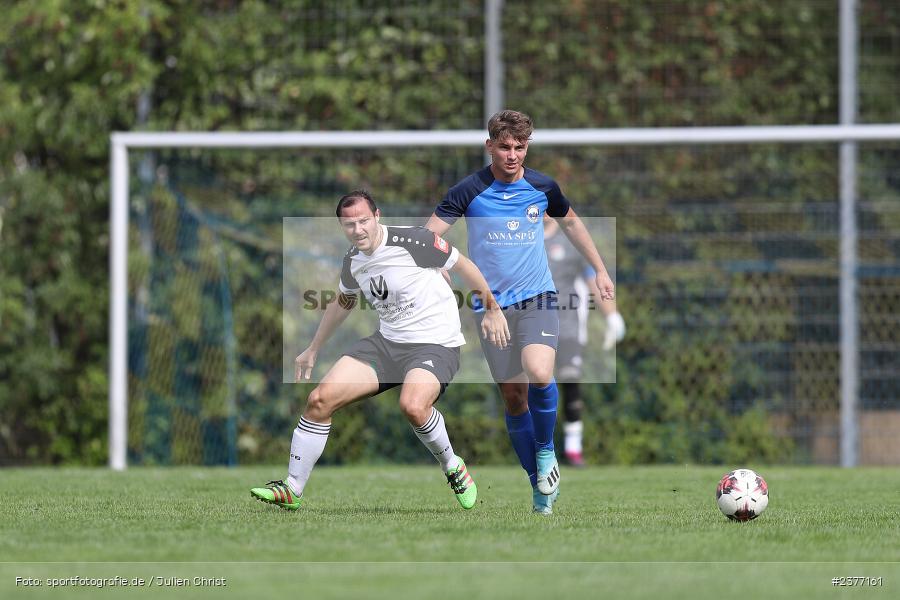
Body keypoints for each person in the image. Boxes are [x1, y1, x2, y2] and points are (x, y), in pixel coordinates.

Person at [251, 190, 509, 511]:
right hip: (387, 345)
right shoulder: (352, 260)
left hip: (435, 342)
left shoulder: (415, 242)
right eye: (348, 225)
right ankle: (292, 489)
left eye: (363, 221)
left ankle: (452, 466)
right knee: (319, 400)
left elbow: (464, 265)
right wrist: (313, 348)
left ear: (377, 216)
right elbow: (344, 301)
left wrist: (493, 309)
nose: (357, 230)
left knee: (413, 406)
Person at [425, 110, 615, 515]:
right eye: (505, 146)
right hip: (489, 307)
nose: (512, 155)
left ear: (527, 147)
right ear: (489, 145)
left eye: (520, 147)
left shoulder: (543, 187)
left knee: (540, 372)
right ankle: (538, 490)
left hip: (538, 298)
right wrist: (440, 266)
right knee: (514, 398)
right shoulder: (468, 190)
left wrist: (599, 268)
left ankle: (547, 452)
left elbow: (573, 224)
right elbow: (428, 239)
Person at [544, 216, 625, 467]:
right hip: (532, 326)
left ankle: (573, 448)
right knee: (536, 386)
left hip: (568, 327)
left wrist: (612, 316)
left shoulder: (571, 240)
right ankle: (539, 447)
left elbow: (594, 279)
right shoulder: (525, 239)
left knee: (570, 380)